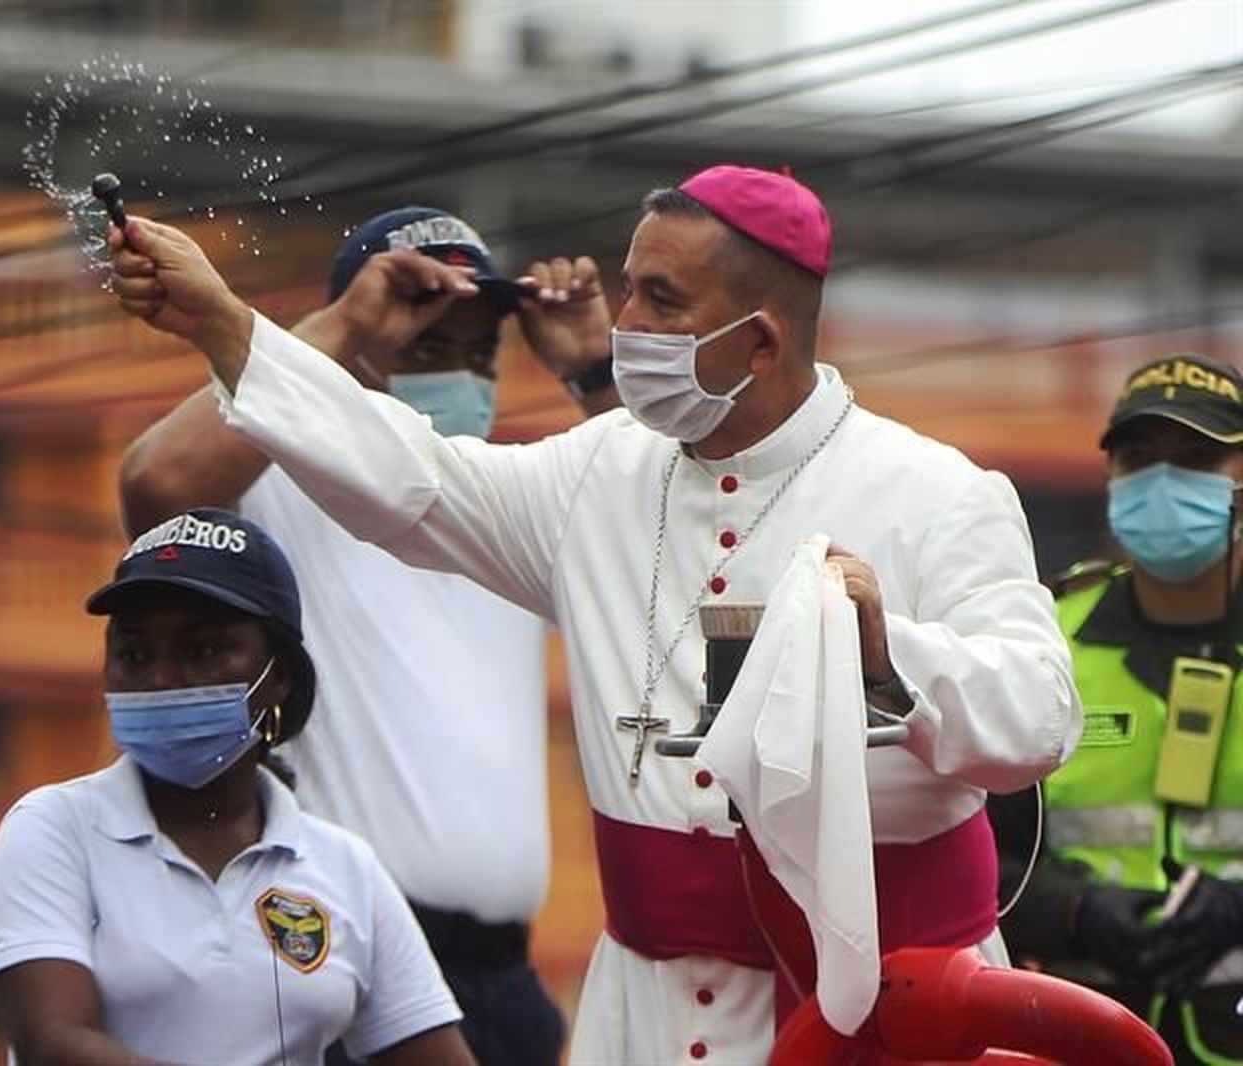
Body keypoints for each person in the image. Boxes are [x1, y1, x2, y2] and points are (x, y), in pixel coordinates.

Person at [105, 164, 1083, 1062]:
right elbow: (414, 475)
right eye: (628, 286)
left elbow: (1037, 719)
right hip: (645, 1012)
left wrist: (883, 654)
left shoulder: (937, 492)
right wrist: (227, 327)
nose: (624, 320)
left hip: (878, 1008)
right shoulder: (600, 471)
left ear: (759, 340)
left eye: (660, 299)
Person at [117, 206, 613, 1066]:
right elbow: (160, 482)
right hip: (343, 956)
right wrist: (343, 329)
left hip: (504, 980)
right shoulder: (290, 488)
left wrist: (596, 371)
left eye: (479, 351)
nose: (461, 372)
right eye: (425, 345)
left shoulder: (513, 499)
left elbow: (665, 547)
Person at [0, 508, 474, 1066]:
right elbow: (53, 1044)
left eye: (201, 651)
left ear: (276, 676)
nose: (159, 679)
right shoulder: (55, 829)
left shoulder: (344, 868)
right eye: (133, 655)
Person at [992, 353, 1243, 1063]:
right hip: (1075, 1032)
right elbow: (976, 847)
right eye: (1138, 459)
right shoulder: (1045, 643)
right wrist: (1073, 912)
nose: (1162, 481)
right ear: (1111, 481)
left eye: (1196, 459)